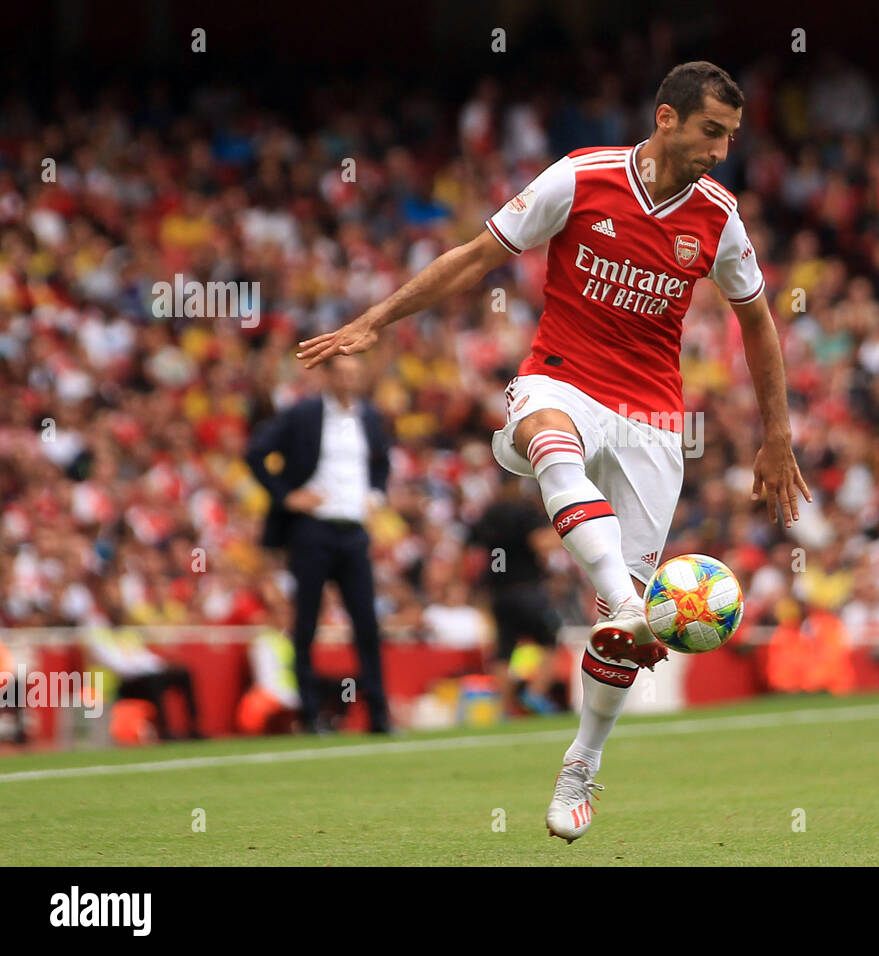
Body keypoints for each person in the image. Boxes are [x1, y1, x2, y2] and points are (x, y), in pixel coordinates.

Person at [296, 61, 811, 841]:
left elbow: (758, 322)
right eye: (712, 131)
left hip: (652, 419)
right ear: (666, 118)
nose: (721, 150)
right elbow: (475, 256)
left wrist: (778, 435)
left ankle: (583, 764)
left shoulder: (718, 217)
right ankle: (634, 605)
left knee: (614, 632)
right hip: (561, 377)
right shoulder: (581, 178)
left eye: (732, 137)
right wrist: (378, 320)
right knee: (546, 440)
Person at [244, 354, 394, 735]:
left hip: (354, 530)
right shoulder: (304, 414)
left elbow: (381, 463)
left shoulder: (369, 417)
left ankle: (378, 713)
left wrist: (375, 494)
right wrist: (286, 495)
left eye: (354, 374)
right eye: (341, 373)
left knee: (366, 623)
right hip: (312, 529)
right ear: (326, 376)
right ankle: (309, 713)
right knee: (306, 621)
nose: (348, 381)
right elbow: (256, 451)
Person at [467, 478, 565, 715]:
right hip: (527, 589)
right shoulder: (524, 512)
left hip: (499, 593)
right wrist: (564, 532)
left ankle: (502, 707)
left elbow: (472, 551)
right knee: (550, 642)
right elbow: (540, 544)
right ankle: (534, 693)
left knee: (504, 651)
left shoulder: (489, 514)